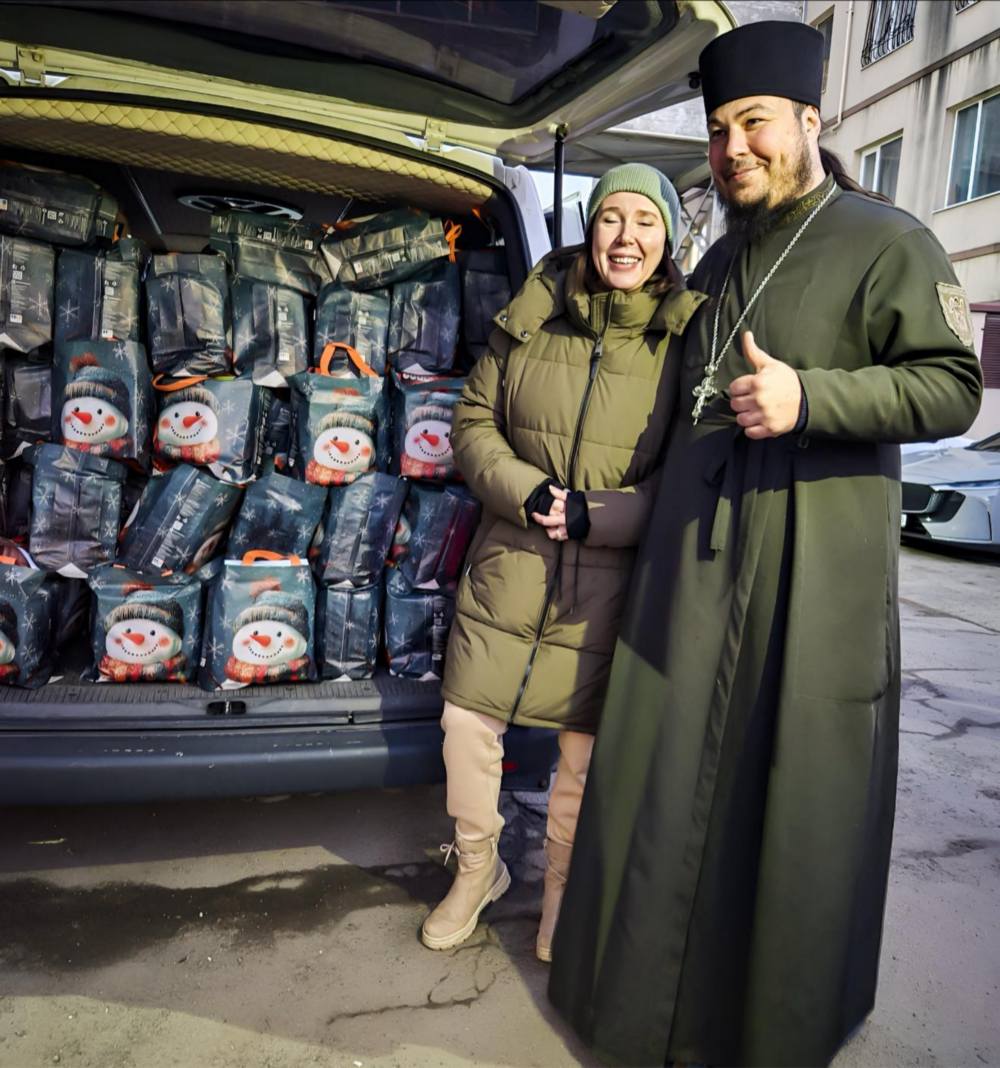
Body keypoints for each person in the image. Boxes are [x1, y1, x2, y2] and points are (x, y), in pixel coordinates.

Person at [549, 21, 983, 1068]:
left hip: (810, 582)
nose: (732, 146)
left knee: (787, 811)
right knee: (664, 797)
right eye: (716, 130)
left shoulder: (886, 239)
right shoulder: (716, 256)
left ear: (808, 121)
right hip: (691, 579)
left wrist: (811, 399)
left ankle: (764, 1034)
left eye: (752, 123)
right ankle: (639, 1015)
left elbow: (952, 386)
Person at [420, 164, 705, 961]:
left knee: (582, 754)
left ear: (667, 240)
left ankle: (561, 894)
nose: (626, 238)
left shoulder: (685, 337)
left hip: (609, 585)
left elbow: (689, 471)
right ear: (590, 227)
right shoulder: (535, 311)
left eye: (646, 222)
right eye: (612, 218)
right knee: (465, 724)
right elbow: (474, 420)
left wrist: (597, 514)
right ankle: (477, 870)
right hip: (510, 560)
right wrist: (530, 491)